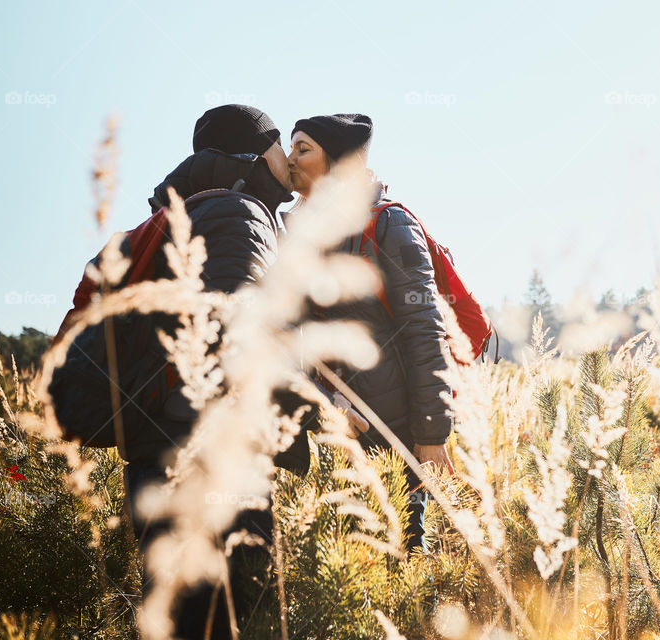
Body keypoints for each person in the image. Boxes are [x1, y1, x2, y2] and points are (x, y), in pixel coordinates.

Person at [128, 104, 299, 639]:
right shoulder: (237, 211)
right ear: (248, 154)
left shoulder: (194, 212)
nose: (288, 155)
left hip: (161, 443)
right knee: (231, 610)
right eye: (277, 142)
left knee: (182, 612)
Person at [286, 113, 455, 552]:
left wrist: (432, 434)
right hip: (337, 438)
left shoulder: (388, 225)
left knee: (404, 562)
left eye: (303, 148)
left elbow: (424, 329)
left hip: (394, 436)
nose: (290, 158)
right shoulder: (306, 238)